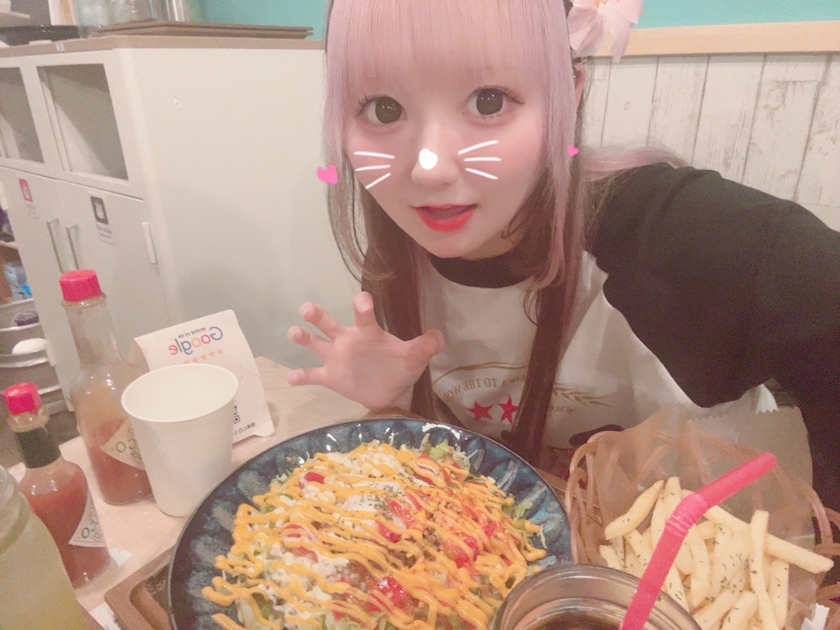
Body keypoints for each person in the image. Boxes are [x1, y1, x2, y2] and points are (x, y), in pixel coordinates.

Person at [287, 0, 840, 510]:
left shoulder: (682, 235)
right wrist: (396, 401)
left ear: (567, 90)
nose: (429, 169)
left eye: (488, 101)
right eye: (383, 108)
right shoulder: (399, 259)